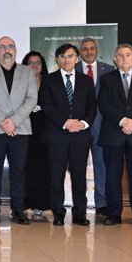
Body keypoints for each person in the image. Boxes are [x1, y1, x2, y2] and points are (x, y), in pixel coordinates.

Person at [0, 36, 37, 225]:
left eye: (10, 46)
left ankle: (18, 210)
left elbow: (31, 99)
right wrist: (4, 121)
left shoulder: (27, 72)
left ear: (16, 50)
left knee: (19, 171)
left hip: (20, 130)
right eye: (2, 47)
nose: (7, 50)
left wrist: (14, 121)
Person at [39, 44, 97, 226]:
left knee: (79, 177)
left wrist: (83, 123)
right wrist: (65, 122)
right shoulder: (49, 80)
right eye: (62, 56)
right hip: (57, 135)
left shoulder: (86, 81)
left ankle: (80, 213)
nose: (66, 59)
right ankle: (58, 212)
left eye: (70, 56)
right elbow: (46, 105)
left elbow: (92, 107)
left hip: (80, 136)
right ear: (57, 59)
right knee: (56, 177)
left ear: (77, 58)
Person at [97, 43, 132, 226]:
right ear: (114, 59)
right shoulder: (106, 79)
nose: (124, 58)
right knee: (112, 176)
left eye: (128, 55)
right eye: (120, 55)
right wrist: (123, 121)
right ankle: (113, 213)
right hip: (113, 134)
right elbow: (104, 105)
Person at [75, 37, 115, 217]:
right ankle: (79, 204)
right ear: (80, 51)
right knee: (77, 166)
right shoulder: (72, 69)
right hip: (79, 126)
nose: (89, 52)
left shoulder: (109, 70)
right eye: (85, 49)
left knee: (101, 166)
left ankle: (102, 203)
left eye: (92, 48)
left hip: (102, 126)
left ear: (97, 50)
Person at [21, 50, 50, 221]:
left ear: (42, 65)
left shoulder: (50, 82)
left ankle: (41, 205)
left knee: (43, 168)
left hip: (45, 130)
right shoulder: (20, 82)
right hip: (24, 129)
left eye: (37, 62)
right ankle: (24, 204)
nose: (34, 66)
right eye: (30, 63)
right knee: (24, 167)